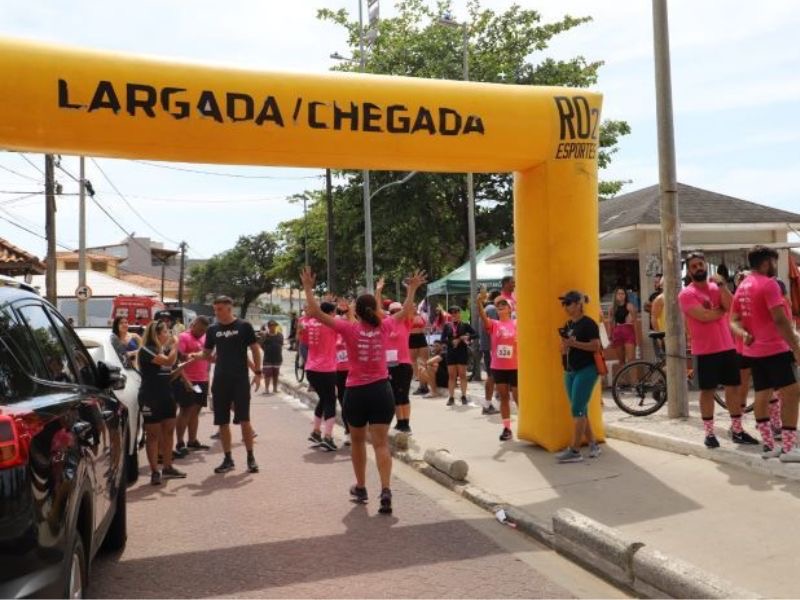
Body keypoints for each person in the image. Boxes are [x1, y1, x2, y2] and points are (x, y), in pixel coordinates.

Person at [300, 266, 426, 515]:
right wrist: (412, 289)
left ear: (355, 312)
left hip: (356, 393)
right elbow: (405, 312)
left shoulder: (348, 329)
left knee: (358, 441)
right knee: (381, 444)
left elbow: (314, 311)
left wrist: (307, 287)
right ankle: (386, 490)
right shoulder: (386, 326)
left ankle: (361, 487)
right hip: (381, 391)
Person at [678, 252, 758, 448]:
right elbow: (703, 316)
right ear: (689, 271)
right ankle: (709, 433)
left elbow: (732, 307)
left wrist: (722, 287)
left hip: (727, 347)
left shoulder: (716, 288)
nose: (699, 268)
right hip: (704, 351)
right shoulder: (686, 294)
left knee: (734, 388)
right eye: (694, 266)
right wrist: (720, 311)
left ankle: (737, 430)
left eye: (701, 264)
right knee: (707, 391)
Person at [730, 246, 800, 461]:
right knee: (791, 393)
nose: (775, 266)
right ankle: (789, 448)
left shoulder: (743, 286)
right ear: (766, 262)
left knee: (762, 394)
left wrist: (743, 334)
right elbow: (779, 319)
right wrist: (796, 347)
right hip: (776, 349)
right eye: (773, 262)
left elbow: (732, 320)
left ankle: (769, 447)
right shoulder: (769, 284)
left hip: (755, 351)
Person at [196, 296, 262, 474]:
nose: (216, 313)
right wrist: (196, 356)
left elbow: (255, 349)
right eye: (215, 309)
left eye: (219, 309)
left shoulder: (243, 326)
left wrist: (258, 372)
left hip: (240, 380)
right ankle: (228, 459)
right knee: (222, 422)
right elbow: (207, 353)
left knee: (244, 420)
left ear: (229, 308)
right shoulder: (212, 329)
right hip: (220, 381)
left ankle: (250, 457)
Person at [138, 320, 189, 484]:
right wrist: (176, 345)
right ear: (157, 334)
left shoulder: (162, 350)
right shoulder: (147, 349)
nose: (168, 335)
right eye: (166, 332)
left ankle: (168, 466)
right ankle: (154, 471)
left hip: (166, 396)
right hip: (150, 397)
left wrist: (181, 368)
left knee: (168, 432)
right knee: (153, 435)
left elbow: (168, 374)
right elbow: (167, 361)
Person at [557, 291, 602, 463]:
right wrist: (564, 347)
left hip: (586, 369)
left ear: (577, 304)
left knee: (577, 409)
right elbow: (563, 348)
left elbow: (596, 346)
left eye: (568, 303)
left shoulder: (588, 323)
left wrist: (573, 343)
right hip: (570, 370)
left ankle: (575, 451)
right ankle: (593, 444)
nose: (565, 307)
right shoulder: (568, 324)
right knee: (581, 409)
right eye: (564, 303)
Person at [477, 289, 517, 440]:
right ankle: (507, 429)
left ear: (509, 308)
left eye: (504, 305)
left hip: (515, 366)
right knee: (504, 398)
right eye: (498, 305)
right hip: (499, 366)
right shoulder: (494, 324)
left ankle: (529, 426)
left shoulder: (516, 323)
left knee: (519, 398)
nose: (500, 307)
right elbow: (482, 316)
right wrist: (479, 302)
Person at [305, 301, 340, 451]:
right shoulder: (332, 324)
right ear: (330, 313)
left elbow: (306, 318)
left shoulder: (311, 322)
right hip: (326, 369)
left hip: (311, 368)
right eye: (334, 311)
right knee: (330, 401)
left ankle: (316, 431)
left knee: (324, 399)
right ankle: (328, 436)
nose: (335, 314)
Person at [175, 316, 212, 455]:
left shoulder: (205, 338)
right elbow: (178, 359)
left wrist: (208, 377)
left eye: (204, 330)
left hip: (202, 379)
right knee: (185, 411)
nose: (202, 332)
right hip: (188, 380)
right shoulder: (183, 337)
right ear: (194, 324)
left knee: (196, 411)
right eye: (200, 329)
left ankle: (192, 440)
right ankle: (180, 442)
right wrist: (185, 380)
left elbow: (208, 357)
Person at [379, 293, 415, 434]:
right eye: (393, 311)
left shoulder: (406, 323)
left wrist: (411, 290)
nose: (396, 314)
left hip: (403, 364)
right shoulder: (387, 323)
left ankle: (406, 423)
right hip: (389, 365)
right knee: (394, 395)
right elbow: (377, 309)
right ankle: (400, 422)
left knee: (403, 395)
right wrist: (378, 291)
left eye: (398, 311)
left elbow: (409, 308)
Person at [440, 306, 476, 406]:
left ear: (459, 313)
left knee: (462, 375)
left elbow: (476, 334)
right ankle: (451, 397)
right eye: (452, 313)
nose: (454, 314)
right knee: (451, 376)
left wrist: (464, 337)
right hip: (451, 352)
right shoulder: (447, 326)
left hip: (462, 352)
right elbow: (442, 339)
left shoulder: (465, 325)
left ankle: (463, 396)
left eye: (456, 312)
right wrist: (451, 342)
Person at [606, 287, 640, 381]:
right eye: (619, 294)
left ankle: (634, 383)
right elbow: (610, 323)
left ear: (625, 296)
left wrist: (637, 338)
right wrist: (610, 336)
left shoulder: (630, 306)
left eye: (623, 294)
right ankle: (622, 382)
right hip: (617, 332)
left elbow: (635, 322)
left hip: (628, 331)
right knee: (621, 360)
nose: (621, 296)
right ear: (615, 296)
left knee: (631, 359)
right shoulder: (612, 308)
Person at [478, 290, 502, 415]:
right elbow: (493, 329)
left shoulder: (488, 308)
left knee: (492, 376)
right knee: (491, 377)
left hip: (489, 347)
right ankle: (487, 405)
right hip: (491, 347)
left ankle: (490, 402)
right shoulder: (492, 309)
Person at [334, 300, 353, 446]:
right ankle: (348, 431)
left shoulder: (353, 325)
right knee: (343, 401)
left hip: (354, 370)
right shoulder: (335, 327)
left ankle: (357, 429)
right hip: (338, 371)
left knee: (355, 402)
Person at [409, 310, 430, 396]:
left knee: (425, 361)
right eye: (412, 306)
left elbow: (426, 325)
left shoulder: (421, 316)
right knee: (414, 362)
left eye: (415, 306)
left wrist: (425, 329)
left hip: (421, 337)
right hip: (411, 337)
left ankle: (424, 383)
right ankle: (420, 383)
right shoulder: (406, 316)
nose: (414, 307)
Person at [260, 320, 284, 394]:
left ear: (276, 326)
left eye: (273, 325)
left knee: (275, 375)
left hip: (277, 358)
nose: (272, 327)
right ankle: (266, 389)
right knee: (267, 374)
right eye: (270, 326)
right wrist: (266, 350)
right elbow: (261, 344)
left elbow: (281, 344)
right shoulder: (265, 335)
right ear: (268, 327)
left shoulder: (280, 335)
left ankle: (275, 389)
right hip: (267, 358)